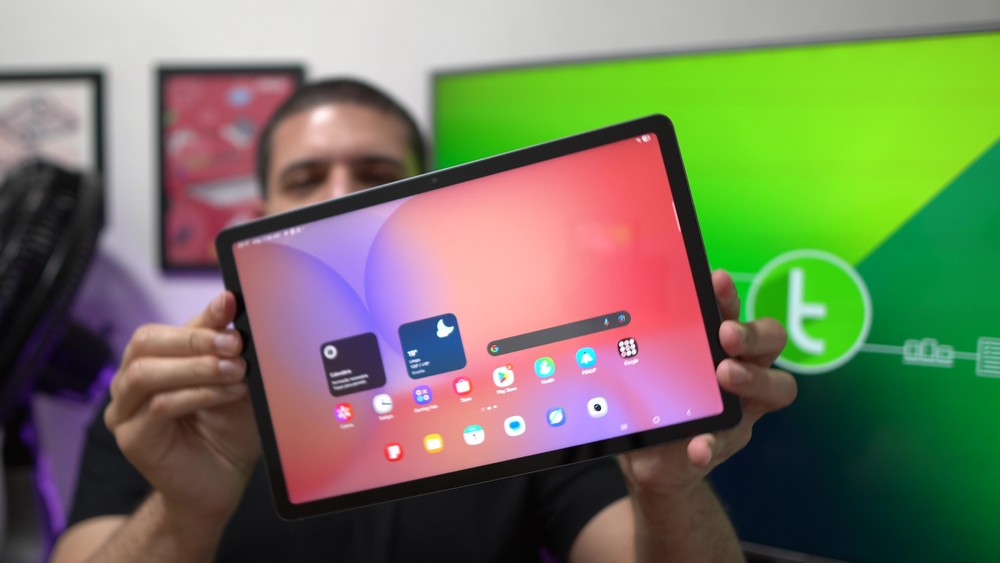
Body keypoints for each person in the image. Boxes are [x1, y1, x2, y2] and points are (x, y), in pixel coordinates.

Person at [51, 78, 797, 562]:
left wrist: (666, 486)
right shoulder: (178, 401)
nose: (339, 196)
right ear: (260, 217)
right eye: (306, 179)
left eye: (376, 177)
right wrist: (185, 508)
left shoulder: (530, 384)